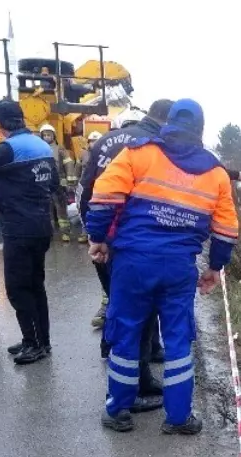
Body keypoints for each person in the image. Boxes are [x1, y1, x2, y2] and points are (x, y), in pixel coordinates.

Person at [86, 99, 239, 434]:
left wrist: (97, 237)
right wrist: (215, 267)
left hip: (133, 263)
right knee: (178, 339)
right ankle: (179, 417)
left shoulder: (138, 153)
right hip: (179, 268)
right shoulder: (216, 174)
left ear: (168, 122)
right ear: (200, 129)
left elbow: (104, 195)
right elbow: (227, 228)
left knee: (125, 331)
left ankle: (118, 410)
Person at [77, 101, 175, 417]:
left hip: (107, 238)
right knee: (138, 320)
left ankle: (135, 380)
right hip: (133, 244)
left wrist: (95, 237)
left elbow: (85, 190)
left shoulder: (108, 140)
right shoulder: (155, 148)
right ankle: (129, 392)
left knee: (121, 311)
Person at [0, 102, 57, 365]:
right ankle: (41, 338)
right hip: (40, 224)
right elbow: (52, 183)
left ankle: (34, 343)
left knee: (19, 288)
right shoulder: (41, 145)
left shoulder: (10, 148)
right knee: (35, 285)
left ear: (1, 123)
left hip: (19, 228)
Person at [39, 123, 81, 243]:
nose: (47, 137)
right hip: (43, 184)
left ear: (54, 136)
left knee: (61, 209)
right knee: (46, 210)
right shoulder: (39, 149)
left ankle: (65, 232)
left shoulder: (60, 149)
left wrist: (70, 180)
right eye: (45, 135)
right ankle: (49, 232)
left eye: (49, 134)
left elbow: (68, 164)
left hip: (58, 185)